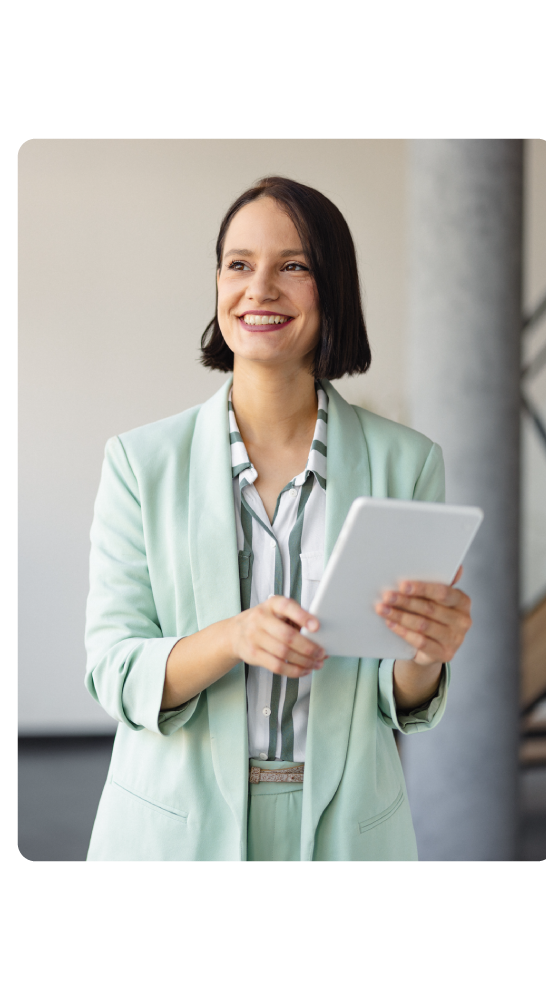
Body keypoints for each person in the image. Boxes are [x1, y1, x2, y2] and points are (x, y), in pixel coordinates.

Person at [84, 176, 473, 861]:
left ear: (334, 288)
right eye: (239, 265)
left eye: (293, 266)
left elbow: (395, 696)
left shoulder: (408, 462)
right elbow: (115, 671)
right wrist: (235, 637)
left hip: (349, 830)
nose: (259, 288)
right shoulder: (138, 463)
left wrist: (426, 656)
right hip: (170, 828)